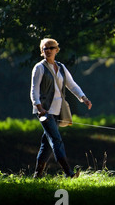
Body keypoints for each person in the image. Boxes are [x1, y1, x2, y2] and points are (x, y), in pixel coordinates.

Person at [30, 38, 92, 178]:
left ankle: (37, 175)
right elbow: (34, 90)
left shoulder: (62, 67)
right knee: (56, 140)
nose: (48, 51)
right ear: (42, 51)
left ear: (57, 50)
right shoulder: (39, 68)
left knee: (47, 143)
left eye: (51, 48)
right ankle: (68, 173)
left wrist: (84, 98)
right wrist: (39, 107)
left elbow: (72, 85)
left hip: (58, 110)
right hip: (45, 111)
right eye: (45, 48)